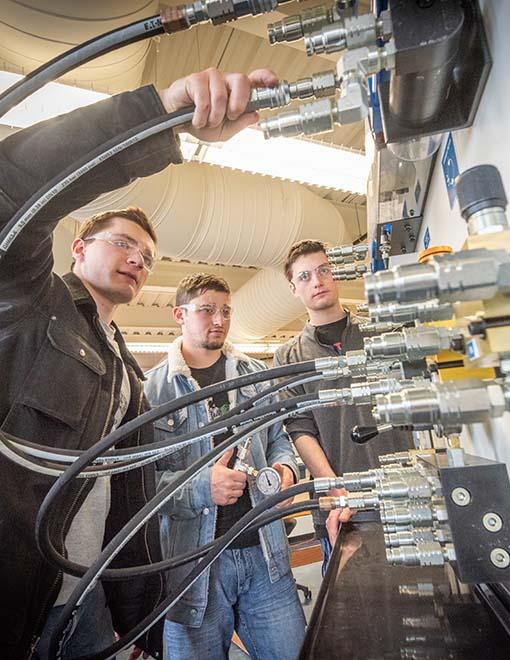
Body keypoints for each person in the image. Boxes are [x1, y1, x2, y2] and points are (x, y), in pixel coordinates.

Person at [0, 66, 277, 659]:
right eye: (122, 244)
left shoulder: (125, 372)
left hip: (84, 605)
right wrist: (157, 117)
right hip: (14, 602)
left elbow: (130, 502)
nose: (137, 260)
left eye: (147, 257)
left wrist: (138, 618)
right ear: (78, 249)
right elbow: (13, 188)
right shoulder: (26, 302)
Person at [144, 273, 306, 660]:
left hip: (265, 557)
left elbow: (279, 439)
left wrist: (286, 471)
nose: (218, 320)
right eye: (206, 310)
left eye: (225, 311)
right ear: (179, 314)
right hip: (194, 569)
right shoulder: (152, 390)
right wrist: (203, 487)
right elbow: (141, 485)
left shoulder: (255, 375)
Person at [273, 240, 414, 562]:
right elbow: (300, 429)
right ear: (294, 288)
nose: (317, 281)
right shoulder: (288, 357)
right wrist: (334, 487)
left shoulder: (380, 332)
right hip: (341, 508)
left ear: (335, 274)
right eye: (305, 276)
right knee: (350, 603)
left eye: (323, 271)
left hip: (404, 490)